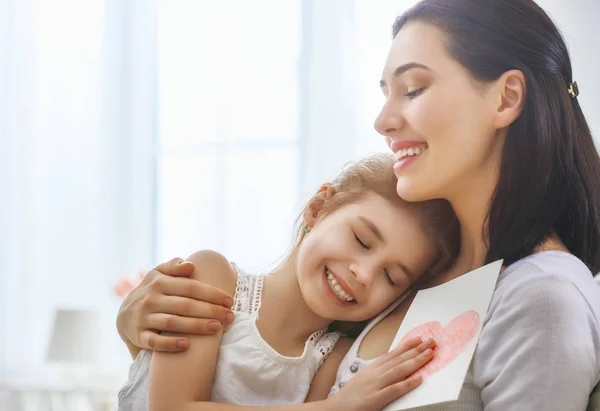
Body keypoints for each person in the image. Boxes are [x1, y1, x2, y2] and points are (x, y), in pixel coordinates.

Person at [117, 0, 600, 409]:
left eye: (413, 89)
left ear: (505, 99)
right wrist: (138, 331)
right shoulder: (426, 273)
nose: (383, 121)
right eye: (386, 93)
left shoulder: (543, 294)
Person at [114, 153, 460, 411]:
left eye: (391, 277)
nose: (364, 274)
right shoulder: (214, 278)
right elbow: (173, 407)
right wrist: (338, 407)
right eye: (361, 240)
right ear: (318, 207)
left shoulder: (331, 358)